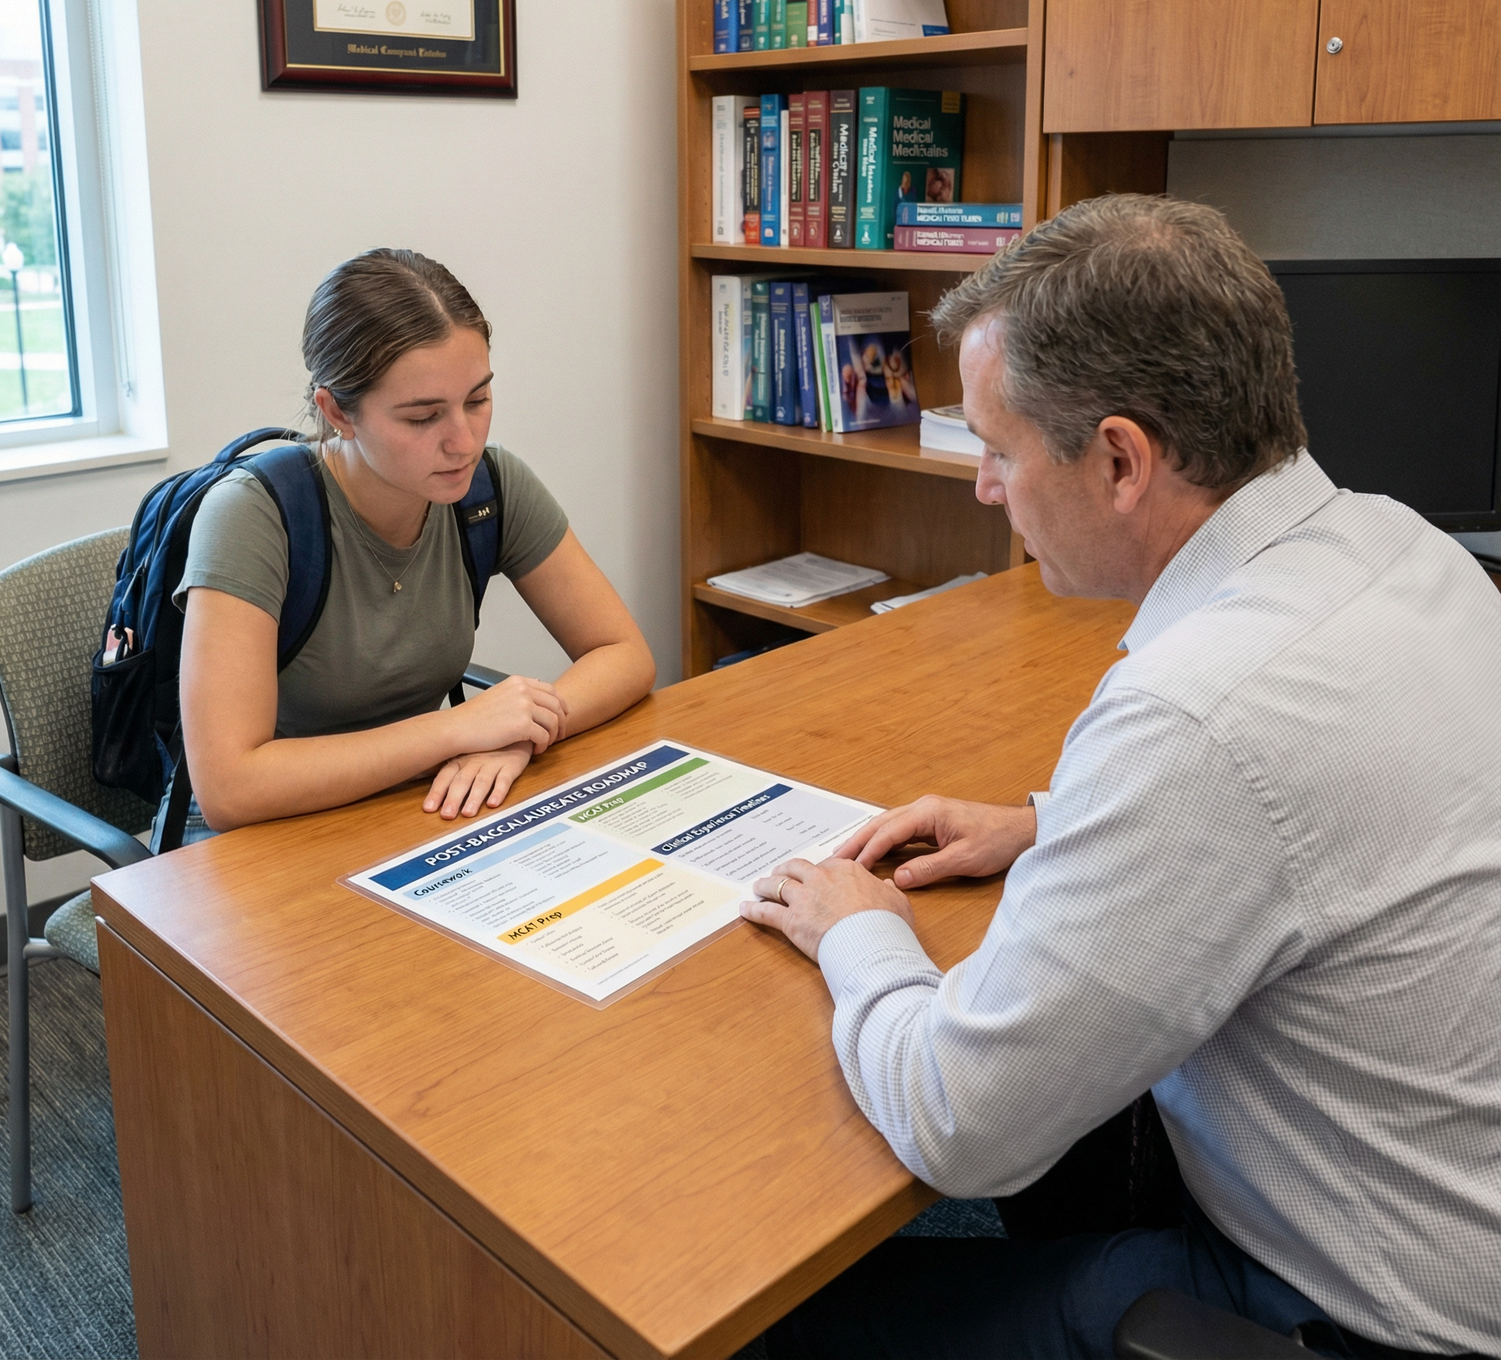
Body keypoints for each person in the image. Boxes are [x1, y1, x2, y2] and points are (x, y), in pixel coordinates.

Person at [741, 196, 1501, 1359]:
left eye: (999, 451)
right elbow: (1318, 812)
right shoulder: (1406, 548)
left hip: (1361, 1314)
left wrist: (859, 932)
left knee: (768, 1321)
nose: (985, 487)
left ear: (1118, 460)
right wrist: (1048, 824)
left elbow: (957, 1123)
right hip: (1450, 1194)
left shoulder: (1195, 714)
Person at [175, 248, 655, 835]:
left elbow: (624, 654)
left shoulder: (493, 487)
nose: (464, 442)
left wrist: (520, 735)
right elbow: (230, 788)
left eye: (477, 400)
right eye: (423, 417)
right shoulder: (253, 515)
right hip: (255, 838)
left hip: (411, 804)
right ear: (336, 411)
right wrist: (458, 730)